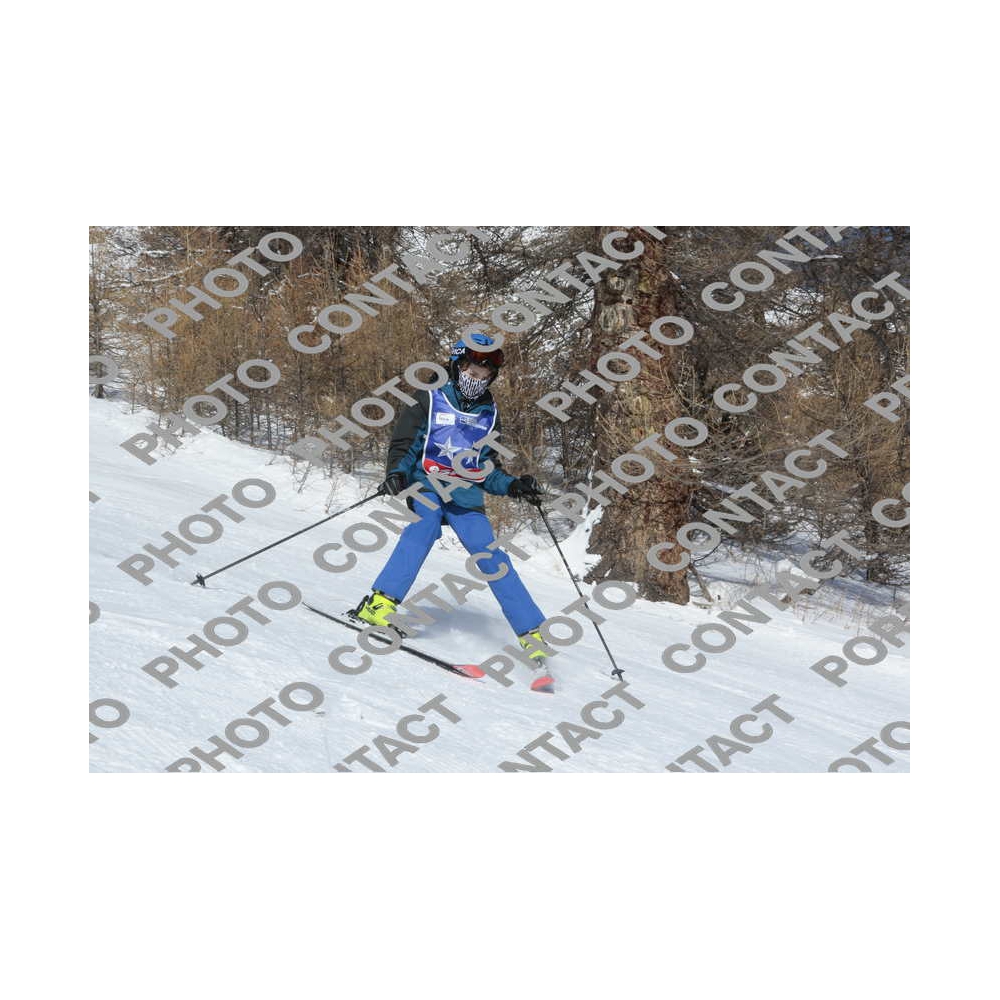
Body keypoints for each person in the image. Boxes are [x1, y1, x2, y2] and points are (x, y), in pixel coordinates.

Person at [352, 331, 550, 664]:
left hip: (465, 494)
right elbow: (405, 444)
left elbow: (486, 467)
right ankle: (379, 605)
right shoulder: (429, 397)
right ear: (458, 365)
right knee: (424, 526)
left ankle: (531, 633)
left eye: (484, 375)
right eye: (472, 371)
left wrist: (514, 486)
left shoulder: (489, 413)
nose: (477, 379)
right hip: (427, 483)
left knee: (490, 554)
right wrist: (396, 473)